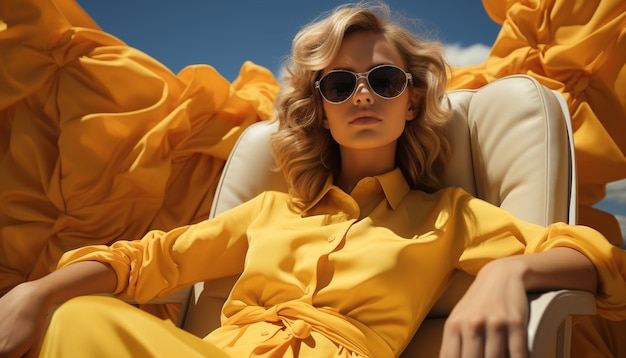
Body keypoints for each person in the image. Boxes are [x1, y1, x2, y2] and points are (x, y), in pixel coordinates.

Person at [0, 2, 625, 357]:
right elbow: (147, 260)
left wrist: (509, 271)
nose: (362, 95)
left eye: (383, 81)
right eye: (338, 84)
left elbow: (597, 259)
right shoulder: (270, 212)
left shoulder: (450, 215)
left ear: (411, 102)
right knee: (78, 317)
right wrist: (36, 293)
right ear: (320, 108)